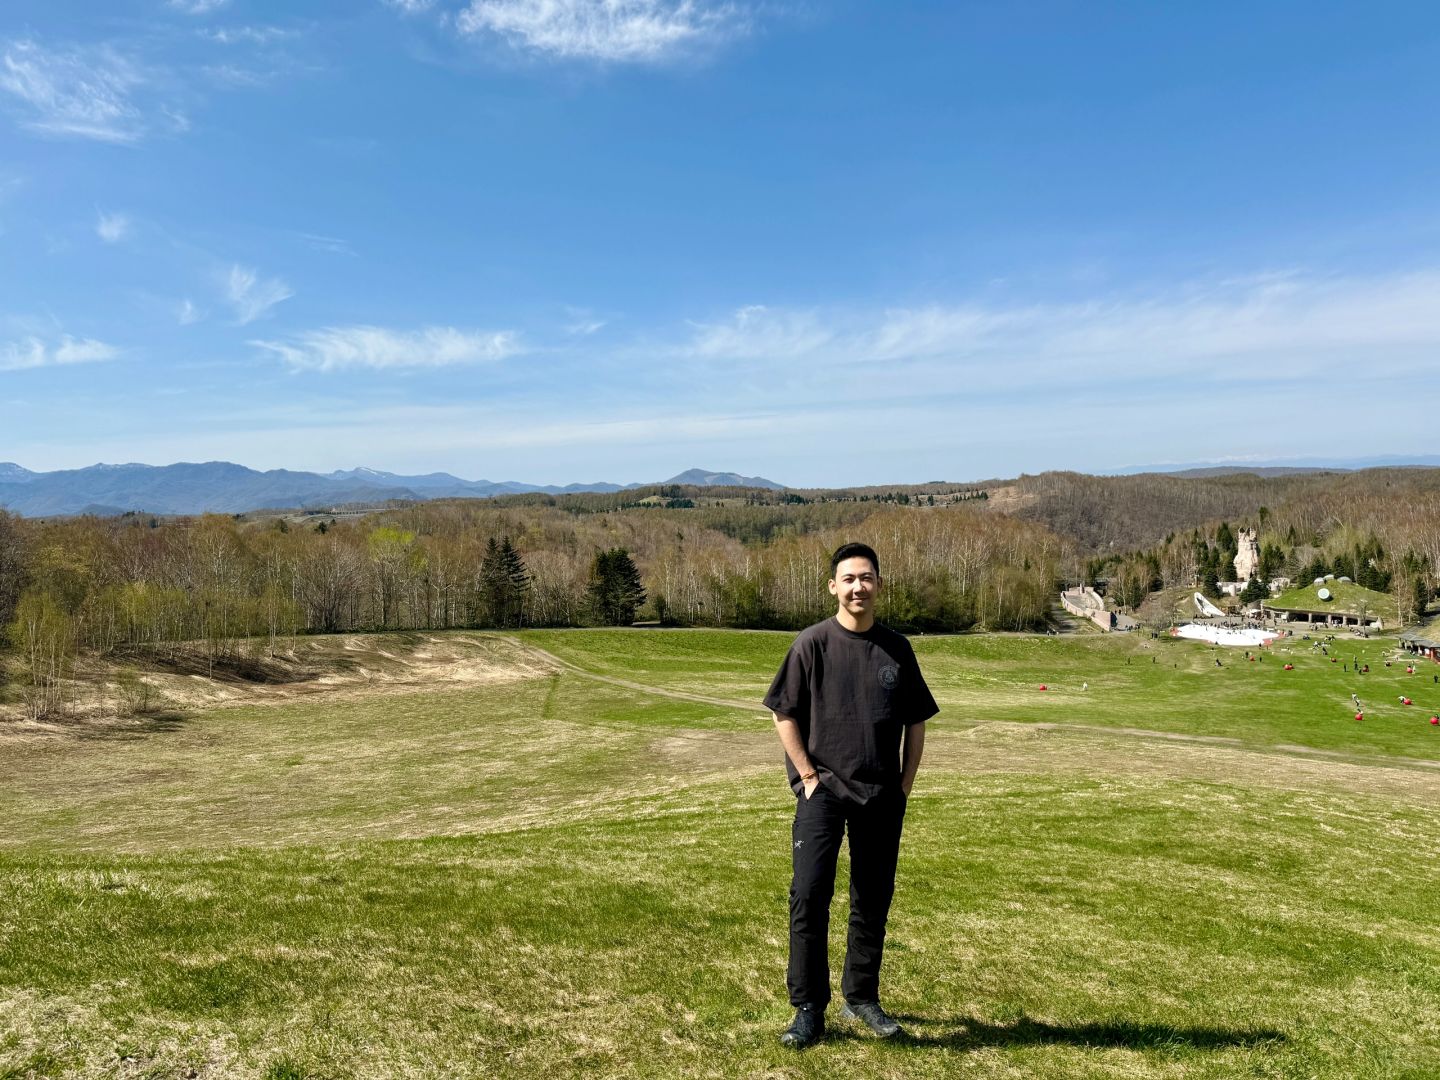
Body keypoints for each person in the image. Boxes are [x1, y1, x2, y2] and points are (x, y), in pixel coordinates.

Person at [764, 542, 938, 1049]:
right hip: (823, 794)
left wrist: (904, 785)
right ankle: (807, 1008)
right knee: (810, 895)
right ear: (833, 587)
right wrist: (808, 777)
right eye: (848, 578)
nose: (858, 586)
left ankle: (861, 996)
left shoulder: (896, 649)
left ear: (879, 585)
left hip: (881, 794)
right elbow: (783, 714)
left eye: (866, 577)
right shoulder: (811, 644)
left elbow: (917, 722)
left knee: (872, 898)